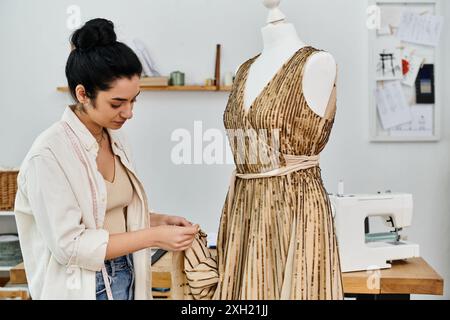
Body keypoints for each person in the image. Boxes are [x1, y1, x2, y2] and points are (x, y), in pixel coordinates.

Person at [14, 18, 199, 300]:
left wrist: (158, 221)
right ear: (82, 94)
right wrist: (154, 237)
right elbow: (70, 245)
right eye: (117, 103)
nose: (129, 113)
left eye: (134, 100)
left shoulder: (115, 137)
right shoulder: (48, 155)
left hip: (126, 274)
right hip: (84, 287)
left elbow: (104, 214)